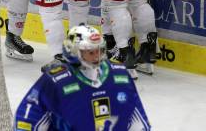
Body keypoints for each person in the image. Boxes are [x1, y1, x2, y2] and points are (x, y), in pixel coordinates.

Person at [14, 24, 151, 131]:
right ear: (73, 52)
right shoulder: (55, 81)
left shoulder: (120, 74)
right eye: (90, 52)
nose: (96, 57)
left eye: (99, 50)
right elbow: (27, 119)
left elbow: (138, 122)